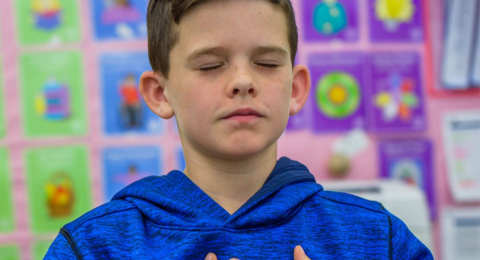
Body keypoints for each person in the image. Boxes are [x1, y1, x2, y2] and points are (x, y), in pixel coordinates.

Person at [45, 0, 434, 259]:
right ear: (159, 93)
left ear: (295, 88)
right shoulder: (94, 246)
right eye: (211, 66)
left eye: (266, 62)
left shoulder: (380, 238)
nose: (243, 81)